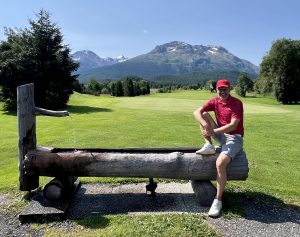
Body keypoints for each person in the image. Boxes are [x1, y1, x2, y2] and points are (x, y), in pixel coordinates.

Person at [193, 79, 244, 217]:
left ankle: (218, 200)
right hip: (221, 136)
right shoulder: (215, 101)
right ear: (217, 90)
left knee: (220, 163)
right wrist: (205, 125)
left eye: (225, 89)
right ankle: (209, 145)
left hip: (234, 138)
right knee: (203, 115)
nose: (223, 91)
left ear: (230, 89)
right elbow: (196, 112)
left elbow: (233, 125)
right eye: (220, 89)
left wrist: (213, 131)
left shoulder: (237, 103)